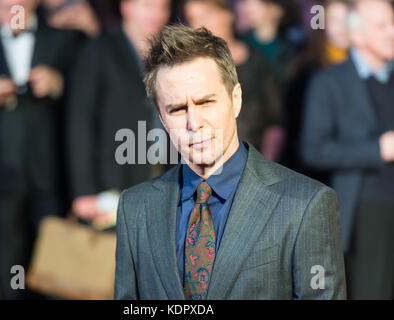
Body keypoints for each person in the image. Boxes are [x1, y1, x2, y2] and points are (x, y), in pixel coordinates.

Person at [114, 24, 346, 300]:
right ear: (162, 118)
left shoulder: (305, 205)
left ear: (235, 99)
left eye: (205, 102)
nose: (194, 123)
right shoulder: (135, 208)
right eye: (177, 109)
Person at [0, 0, 79, 299]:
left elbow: (88, 97)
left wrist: (59, 83)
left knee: (54, 269)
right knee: (10, 268)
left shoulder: (64, 39)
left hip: (50, 174)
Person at [301, 0, 394, 299]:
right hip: (366, 213)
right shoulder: (328, 82)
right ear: (355, 35)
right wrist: (377, 150)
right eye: (382, 26)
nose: (392, 32)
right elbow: (313, 149)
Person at [66, 0, 170, 222]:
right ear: (127, 7)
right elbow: (79, 121)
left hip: (162, 176)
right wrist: (83, 189)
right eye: (149, 6)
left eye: (163, 7)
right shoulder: (98, 51)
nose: (157, 14)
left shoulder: (169, 55)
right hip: (111, 180)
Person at [184, 0, 284, 162]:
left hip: (254, 163)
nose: (199, 24)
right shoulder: (189, 68)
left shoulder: (257, 61)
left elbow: (275, 120)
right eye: (192, 18)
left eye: (206, 14)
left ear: (228, 14)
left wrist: (263, 166)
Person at [284, 0, 350, 182]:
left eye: (347, 20)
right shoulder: (310, 70)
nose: (342, 28)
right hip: (317, 172)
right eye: (335, 21)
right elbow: (296, 126)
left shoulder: (368, 65)